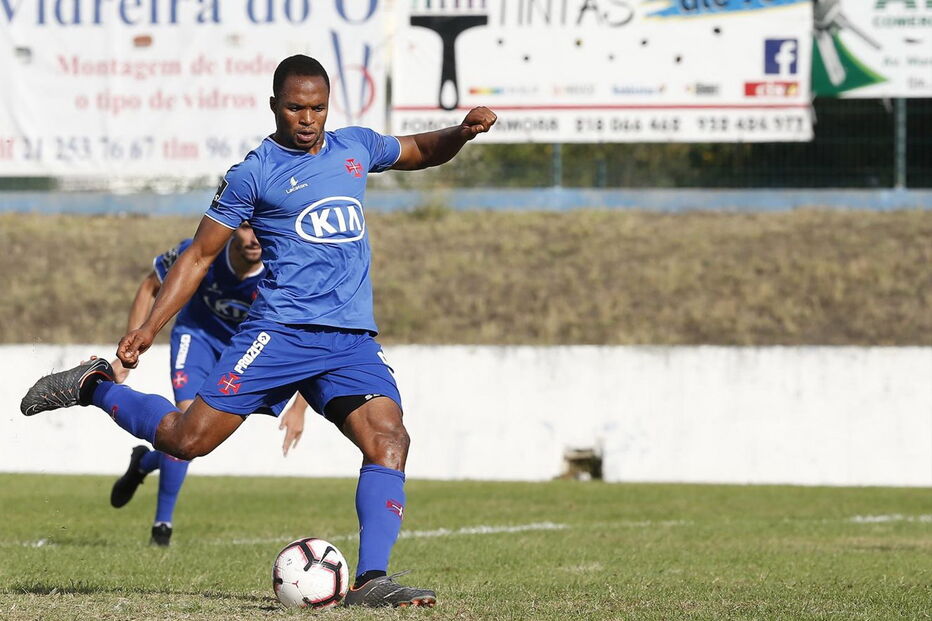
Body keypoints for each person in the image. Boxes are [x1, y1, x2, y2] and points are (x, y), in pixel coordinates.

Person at [21, 54, 496, 608]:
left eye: (317, 107)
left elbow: (419, 151)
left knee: (389, 440)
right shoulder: (255, 173)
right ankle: (94, 387)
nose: (308, 118)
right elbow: (199, 256)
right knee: (184, 440)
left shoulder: (356, 147)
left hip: (349, 340)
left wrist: (461, 133)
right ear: (274, 105)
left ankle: (371, 580)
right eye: (296, 107)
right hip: (280, 334)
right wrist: (150, 326)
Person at [108, 222, 308, 546]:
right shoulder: (202, 251)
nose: (254, 237)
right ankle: (162, 527)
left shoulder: (284, 268)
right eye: (245, 227)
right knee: (185, 423)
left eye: (261, 228)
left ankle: (143, 464)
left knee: (198, 439)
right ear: (232, 229)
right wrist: (129, 352)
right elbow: (149, 287)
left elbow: (306, 337)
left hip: (245, 351)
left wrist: (300, 407)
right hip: (196, 338)